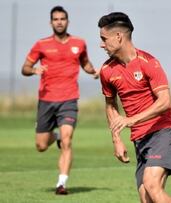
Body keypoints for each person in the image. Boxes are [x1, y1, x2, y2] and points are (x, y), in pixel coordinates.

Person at [98, 12, 171, 203]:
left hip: (163, 132)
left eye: (104, 39)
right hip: (140, 140)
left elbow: (164, 102)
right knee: (149, 199)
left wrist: (130, 120)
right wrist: (116, 140)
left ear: (119, 37)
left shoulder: (149, 63)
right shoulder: (106, 70)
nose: (101, 44)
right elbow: (110, 105)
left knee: (152, 185)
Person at [21, 6, 99, 195]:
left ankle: (61, 184)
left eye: (62, 18)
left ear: (67, 21)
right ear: (51, 22)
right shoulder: (41, 44)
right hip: (46, 100)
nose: (59, 22)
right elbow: (25, 68)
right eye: (55, 19)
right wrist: (33, 71)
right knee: (41, 145)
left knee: (67, 140)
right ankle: (53, 137)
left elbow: (85, 63)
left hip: (69, 99)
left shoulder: (79, 43)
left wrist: (93, 71)